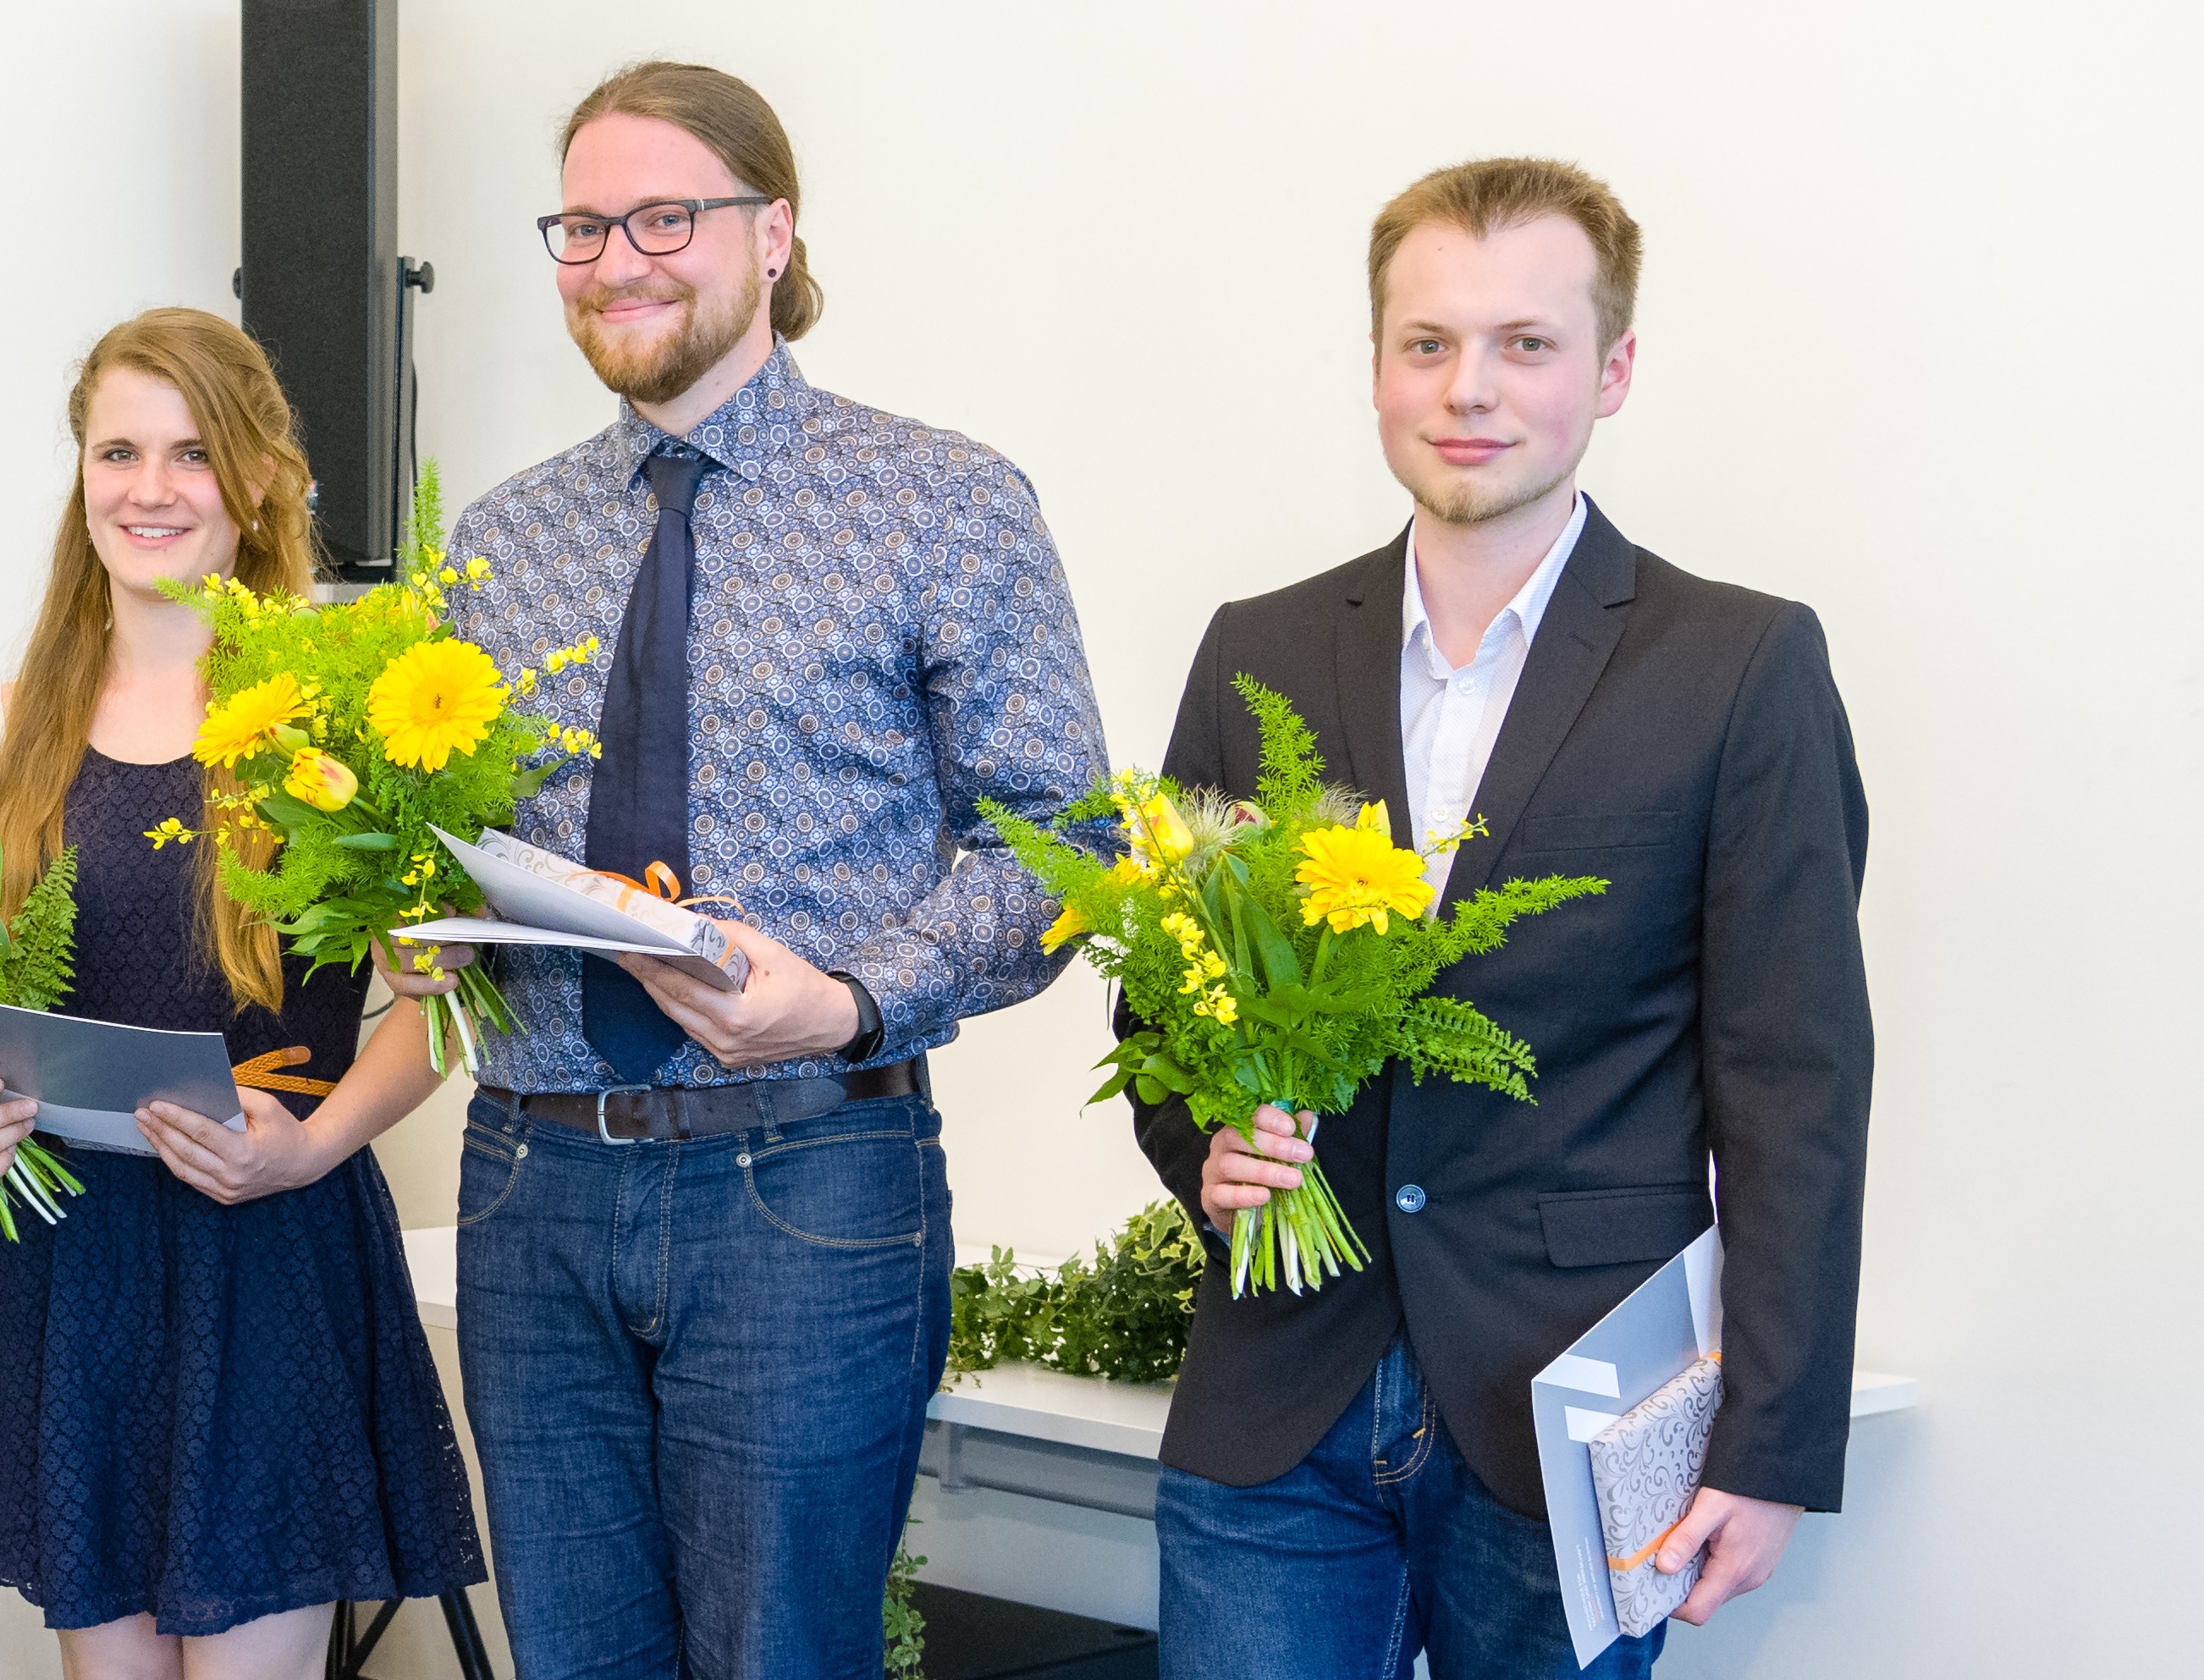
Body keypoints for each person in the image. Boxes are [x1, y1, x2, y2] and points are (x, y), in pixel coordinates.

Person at [1137, 157, 1871, 1677]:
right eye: (1427, 344)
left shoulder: (1740, 664)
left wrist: (1771, 1442)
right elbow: (1165, 998)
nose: (1467, 388)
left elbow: (1795, 1083)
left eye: (1523, 344)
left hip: (1576, 1415)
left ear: (1608, 370)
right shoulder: (1255, 645)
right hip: (1274, 1404)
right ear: (1376, 367)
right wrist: (1200, 1146)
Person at [433, 62, 1105, 1676]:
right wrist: (411, 928)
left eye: (663, 215)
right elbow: (451, 836)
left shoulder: (939, 501)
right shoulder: (499, 542)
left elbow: (1066, 841)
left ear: (772, 228)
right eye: (581, 227)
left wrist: (855, 994)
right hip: (532, 1182)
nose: (616, 259)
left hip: (806, 1183)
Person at [0, 306, 486, 1677]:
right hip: (74, 1268)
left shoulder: (346, 722)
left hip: (269, 1255)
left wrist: (315, 1145)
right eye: (116, 451)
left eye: (189, 453)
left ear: (258, 480)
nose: (148, 490)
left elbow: (441, 1005)